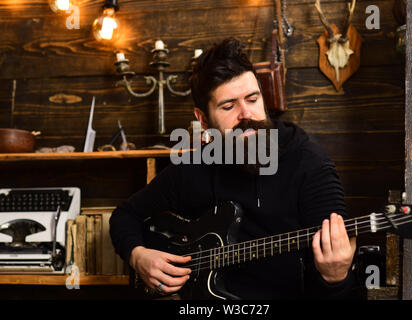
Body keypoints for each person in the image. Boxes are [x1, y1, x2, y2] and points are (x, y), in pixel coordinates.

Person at [109, 38, 360, 300]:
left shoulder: (310, 165)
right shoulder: (195, 167)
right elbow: (124, 215)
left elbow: (339, 294)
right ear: (203, 119)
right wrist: (138, 256)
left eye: (252, 99)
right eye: (228, 106)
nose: (246, 114)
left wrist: (336, 277)